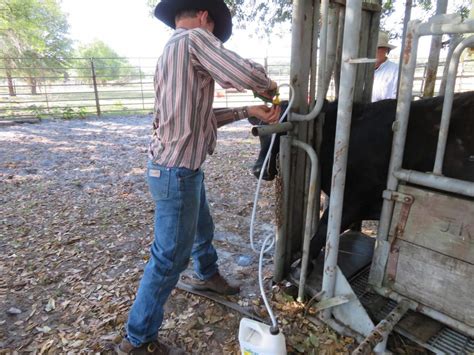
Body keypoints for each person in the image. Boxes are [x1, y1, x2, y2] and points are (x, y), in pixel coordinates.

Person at [116, 0, 281, 354]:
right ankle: (137, 339)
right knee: (168, 257)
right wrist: (267, 87)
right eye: (213, 32)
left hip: (173, 168)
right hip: (177, 171)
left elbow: (198, 118)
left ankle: (207, 274)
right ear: (205, 17)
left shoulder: (169, 53)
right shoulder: (194, 39)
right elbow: (245, 74)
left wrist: (246, 110)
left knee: (202, 226)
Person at [372, 31, 399, 102]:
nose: (373, 51)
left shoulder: (396, 71)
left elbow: (399, 100)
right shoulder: (360, 70)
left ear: (386, 49)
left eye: (378, 47)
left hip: (384, 111)